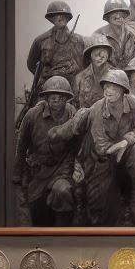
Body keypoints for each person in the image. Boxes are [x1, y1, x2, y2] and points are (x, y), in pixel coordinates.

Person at [82, 69, 135, 225]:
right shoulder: (96, 109)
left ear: (123, 90)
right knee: (100, 207)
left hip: (128, 154)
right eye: (106, 87)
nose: (108, 91)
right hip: (104, 158)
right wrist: (119, 145)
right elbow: (101, 146)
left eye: (114, 88)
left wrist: (126, 141)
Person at [13, 76, 81, 225]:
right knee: (38, 213)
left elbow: (77, 146)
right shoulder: (32, 115)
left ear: (67, 99)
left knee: (63, 192)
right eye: (52, 96)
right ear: (46, 98)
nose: (56, 100)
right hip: (38, 171)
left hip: (62, 169)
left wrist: (78, 169)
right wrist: (17, 177)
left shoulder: (72, 114)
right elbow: (21, 146)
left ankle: (62, 233)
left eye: (61, 97)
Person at [26, 0, 84, 86]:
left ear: (68, 18)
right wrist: (44, 77)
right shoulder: (41, 40)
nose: (60, 18)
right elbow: (31, 64)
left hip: (72, 84)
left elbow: (83, 64)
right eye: (57, 16)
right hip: (49, 84)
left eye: (63, 16)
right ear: (51, 19)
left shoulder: (79, 40)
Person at [95, 0, 135, 69]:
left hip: (131, 72)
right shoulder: (99, 35)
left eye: (121, 13)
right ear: (108, 16)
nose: (118, 16)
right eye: (114, 13)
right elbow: (95, 62)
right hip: (109, 74)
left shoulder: (132, 31)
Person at [73, 34, 113, 109]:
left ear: (108, 54)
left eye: (103, 52)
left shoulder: (117, 75)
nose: (99, 57)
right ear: (89, 54)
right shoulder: (79, 78)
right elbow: (75, 105)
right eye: (96, 53)